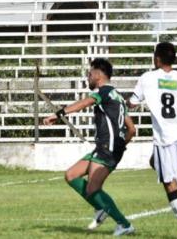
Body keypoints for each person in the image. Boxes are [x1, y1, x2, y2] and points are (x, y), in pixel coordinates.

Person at [43, 58, 137, 236]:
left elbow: (84, 103)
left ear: (98, 75)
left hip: (106, 148)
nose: (88, 77)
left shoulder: (104, 92)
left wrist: (59, 114)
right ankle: (100, 208)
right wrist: (119, 146)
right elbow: (132, 129)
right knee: (71, 175)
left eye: (89, 73)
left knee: (93, 189)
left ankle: (124, 224)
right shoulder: (117, 96)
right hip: (106, 147)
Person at [129, 41, 177, 239]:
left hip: (164, 137)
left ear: (156, 58)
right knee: (154, 163)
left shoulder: (147, 77)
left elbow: (131, 103)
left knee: (168, 181)